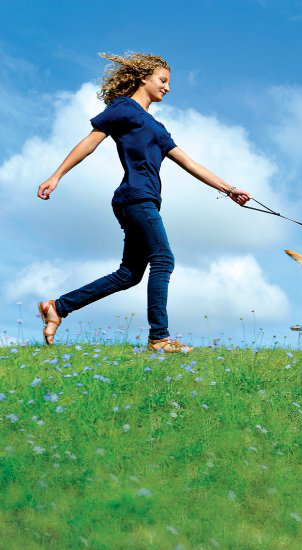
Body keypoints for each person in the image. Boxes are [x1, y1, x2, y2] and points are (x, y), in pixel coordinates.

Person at [36, 52, 250, 352]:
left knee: (129, 275)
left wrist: (230, 189)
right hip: (135, 198)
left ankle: (58, 307)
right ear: (143, 78)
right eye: (163, 80)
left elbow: (190, 163)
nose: (168, 88)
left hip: (143, 200)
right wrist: (56, 175)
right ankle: (159, 339)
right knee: (163, 259)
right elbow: (90, 142)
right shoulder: (124, 108)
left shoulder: (157, 127)